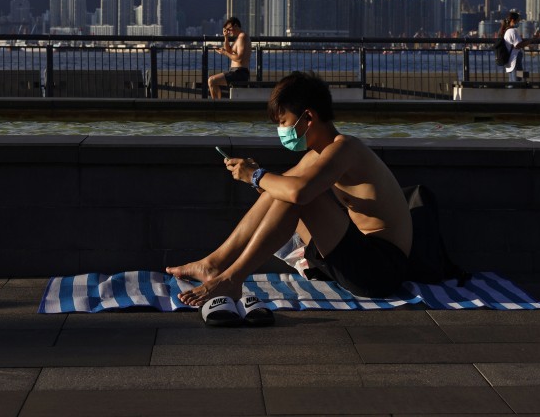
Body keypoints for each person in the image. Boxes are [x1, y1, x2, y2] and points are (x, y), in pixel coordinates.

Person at [167, 71, 413, 325]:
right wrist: (256, 176)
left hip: (380, 269)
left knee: (299, 195)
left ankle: (231, 279)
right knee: (284, 190)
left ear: (308, 117)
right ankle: (214, 264)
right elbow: (279, 191)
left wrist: (256, 175)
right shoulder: (317, 155)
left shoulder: (345, 148)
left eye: (284, 122)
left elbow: (299, 193)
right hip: (352, 258)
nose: (281, 130)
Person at [207, 17, 251, 99]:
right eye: (226, 29)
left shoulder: (242, 37)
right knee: (213, 82)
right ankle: (218, 105)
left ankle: (216, 107)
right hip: (235, 71)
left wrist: (225, 53)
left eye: (229, 29)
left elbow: (239, 58)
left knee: (211, 81)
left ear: (236, 26)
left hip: (239, 72)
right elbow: (229, 50)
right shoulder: (238, 38)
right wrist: (226, 38)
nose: (228, 31)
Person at [500, 10, 540, 83]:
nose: (519, 23)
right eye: (518, 21)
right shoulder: (512, 31)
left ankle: (524, 80)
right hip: (515, 62)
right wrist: (532, 40)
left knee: (515, 81)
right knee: (517, 82)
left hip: (511, 63)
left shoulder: (507, 31)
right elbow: (518, 45)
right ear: (512, 20)